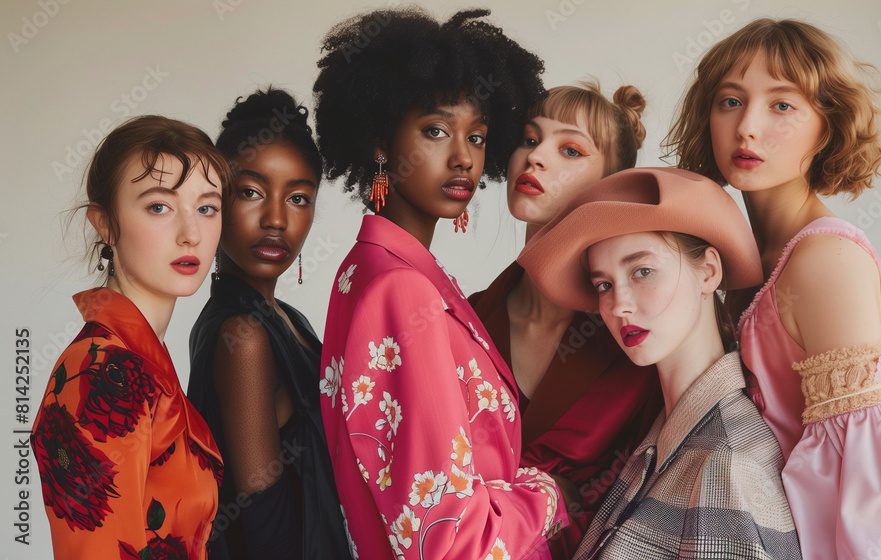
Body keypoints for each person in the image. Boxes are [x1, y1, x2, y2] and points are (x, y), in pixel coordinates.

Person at [663, 18, 881, 558]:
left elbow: (868, 486)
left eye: (782, 105)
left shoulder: (825, 259)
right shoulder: (746, 252)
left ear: (827, 127)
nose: (747, 127)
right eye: (730, 101)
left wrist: (861, 434)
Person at [313, 7, 568, 558]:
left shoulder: (373, 268)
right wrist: (548, 495)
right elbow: (449, 541)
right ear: (381, 141)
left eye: (477, 137)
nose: (463, 158)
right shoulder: (398, 289)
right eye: (436, 130)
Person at [519, 167, 801, 558]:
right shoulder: (660, 437)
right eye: (604, 284)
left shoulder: (727, 465)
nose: (618, 305)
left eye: (643, 271)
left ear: (708, 272)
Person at [467, 82, 662, 558]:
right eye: (529, 139)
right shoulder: (465, 318)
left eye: (570, 150)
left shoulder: (636, 339)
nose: (535, 158)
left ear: (609, 185)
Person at [31, 116, 230, 560]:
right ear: (104, 223)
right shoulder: (101, 369)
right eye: (159, 206)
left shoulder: (138, 360)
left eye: (207, 208)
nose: (191, 234)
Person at [187, 88, 349, 559]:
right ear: (216, 200)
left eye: (298, 198)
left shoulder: (287, 319)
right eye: (251, 192)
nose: (276, 219)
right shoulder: (245, 336)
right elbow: (264, 526)